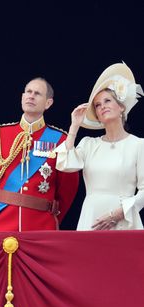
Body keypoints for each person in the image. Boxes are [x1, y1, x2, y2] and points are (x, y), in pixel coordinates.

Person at [0, 78, 79, 231]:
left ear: (48, 103)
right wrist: (1, 205)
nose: (31, 96)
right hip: (4, 220)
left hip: (41, 224)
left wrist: (52, 214)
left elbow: (68, 186)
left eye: (37, 93)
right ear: (22, 97)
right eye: (28, 92)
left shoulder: (61, 140)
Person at [56, 63, 144, 230]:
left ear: (121, 107)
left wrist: (118, 213)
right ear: (97, 115)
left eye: (107, 101)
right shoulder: (89, 144)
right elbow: (65, 164)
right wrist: (74, 126)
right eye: (97, 105)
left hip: (123, 220)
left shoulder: (138, 145)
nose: (102, 106)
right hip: (92, 217)